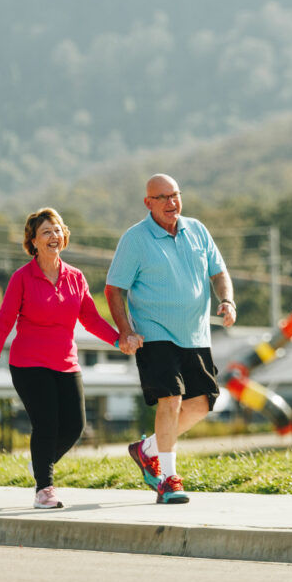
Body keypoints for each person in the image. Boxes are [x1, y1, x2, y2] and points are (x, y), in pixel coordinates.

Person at [0, 207, 134, 509]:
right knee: (47, 424)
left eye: (57, 230)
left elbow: (90, 319)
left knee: (75, 426)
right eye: (45, 232)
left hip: (65, 361)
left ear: (64, 235)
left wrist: (119, 339)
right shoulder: (22, 278)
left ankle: (41, 465)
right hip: (28, 364)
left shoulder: (75, 277)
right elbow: (4, 320)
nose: (53, 236)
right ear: (33, 242)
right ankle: (44, 489)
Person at [105, 174, 236, 504]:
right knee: (171, 399)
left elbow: (218, 272)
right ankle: (168, 479)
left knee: (204, 401)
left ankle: (147, 449)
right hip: (154, 334)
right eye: (162, 197)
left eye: (175, 195)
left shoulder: (197, 229)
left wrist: (226, 300)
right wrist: (126, 330)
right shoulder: (135, 239)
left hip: (195, 333)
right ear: (148, 203)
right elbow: (114, 288)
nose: (170, 203)